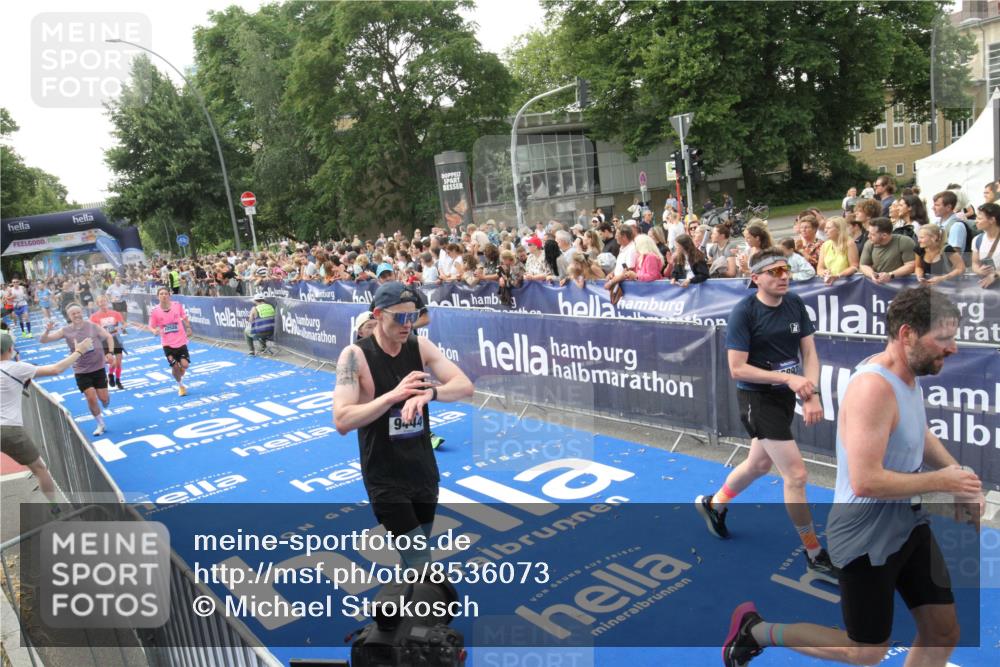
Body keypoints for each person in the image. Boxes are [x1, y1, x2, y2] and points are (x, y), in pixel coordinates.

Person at [723, 286, 984, 667]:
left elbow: (917, 431)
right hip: (865, 534)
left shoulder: (906, 374)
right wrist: (945, 483)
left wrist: (956, 474)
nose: (953, 348)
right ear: (907, 334)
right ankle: (757, 631)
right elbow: (865, 481)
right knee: (865, 651)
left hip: (907, 521)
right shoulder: (872, 389)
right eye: (943, 338)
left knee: (943, 632)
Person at [695, 248, 837, 583]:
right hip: (756, 399)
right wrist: (789, 379)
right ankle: (814, 553)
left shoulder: (795, 303)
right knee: (796, 475)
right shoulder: (744, 312)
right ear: (756, 278)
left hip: (784, 396)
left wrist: (812, 393)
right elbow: (737, 368)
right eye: (774, 271)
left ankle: (714, 504)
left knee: (759, 465)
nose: (783, 276)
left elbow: (809, 353)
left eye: (785, 269)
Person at [333, 282, 474, 569]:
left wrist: (430, 393)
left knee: (413, 555)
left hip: (422, 471)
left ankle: (404, 593)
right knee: (420, 558)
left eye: (413, 316)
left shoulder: (419, 346)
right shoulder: (354, 356)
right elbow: (342, 420)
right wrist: (392, 397)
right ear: (378, 315)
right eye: (399, 317)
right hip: (385, 477)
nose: (408, 324)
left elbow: (464, 386)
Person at [1, 330, 95, 512]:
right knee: (39, 468)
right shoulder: (16, 367)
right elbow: (56, 369)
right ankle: (54, 508)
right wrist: (79, 351)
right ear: (11, 349)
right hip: (9, 430)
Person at [39, 304, 115, 436]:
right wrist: (47, 330)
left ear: (82, 312)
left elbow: (109, 336)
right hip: (81, 370)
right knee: (90, 397)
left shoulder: (92, 326)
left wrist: (110, 352)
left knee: (103, 398)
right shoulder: (65, 330)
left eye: (78, 312)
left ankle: (106, 400)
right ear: (69, 316)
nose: (77, 315)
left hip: (98, 367)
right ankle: (100, 424)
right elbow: (44, 340)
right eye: (73, 314)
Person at [145, 286, 194, 396]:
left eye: (166, 293)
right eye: (161, 294)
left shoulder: (177, 305)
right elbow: (151, 326)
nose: (164, 296)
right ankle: (181, 386)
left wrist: (188, 327)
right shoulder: (155, 311)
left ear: (169, 295)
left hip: (181, 341)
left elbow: (184, 317)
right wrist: (154, 331)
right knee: (175, 366)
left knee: (185, 365)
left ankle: (180, 370)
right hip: (167, 344)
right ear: (158, 297)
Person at [859, 217, 916, 284]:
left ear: (884, 235)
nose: (868, 236)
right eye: (869, 233)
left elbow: (911, 265)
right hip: (876, 284)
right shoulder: (869, 243)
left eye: (872, 234)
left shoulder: (904, 242)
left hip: (901, 284)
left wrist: (890, 275)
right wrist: (872, 274)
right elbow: (863, 265)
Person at [90, 296, 128, 389]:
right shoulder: (94, 317)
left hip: (115, 339)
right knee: (112, 362)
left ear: (107, 302)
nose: (103, 303)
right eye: (100, 302)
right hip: (104, 341)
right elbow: (92, 330)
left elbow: (124, 323)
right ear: (97, 304)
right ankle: (110, 374)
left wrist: (121, 327)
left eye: (104, 301)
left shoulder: (115, 313)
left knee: (118, 363)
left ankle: (118, 381)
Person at [817, 217, 859, 285]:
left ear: (839, 230)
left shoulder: (849, 243)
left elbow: (854, 266)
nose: (825, 230)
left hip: (846, 282)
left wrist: (838, 275)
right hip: (829, 283)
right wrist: (823, 272)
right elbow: (819, 268)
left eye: (828, 228)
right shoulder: (825, 245)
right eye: (825, 228)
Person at [971, 202, 1000, 289]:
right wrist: (979, 271)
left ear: (992, 220)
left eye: (979, 218)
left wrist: (995, 275)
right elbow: (975, 263)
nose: (976, 221)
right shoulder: (977, 240)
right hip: (987, 286)